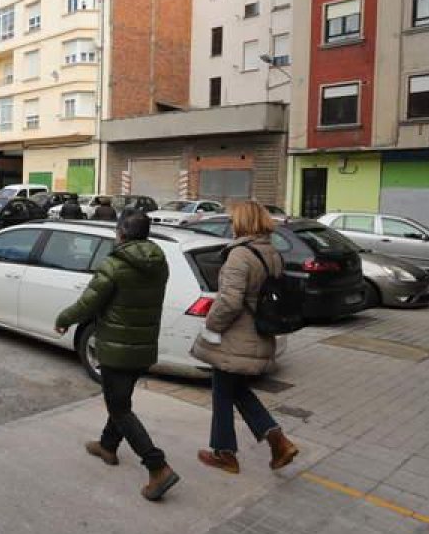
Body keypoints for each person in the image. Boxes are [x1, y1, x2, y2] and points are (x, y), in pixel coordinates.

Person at [55, 210, 180, 501]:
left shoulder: (114, 264)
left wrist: (64, 319)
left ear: (121, 232)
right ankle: (107, 446)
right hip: (143, 346)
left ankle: (157, 466)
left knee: (119, 408)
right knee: (121, 401)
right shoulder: (159, 263)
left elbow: (88, 303)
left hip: (116, 348)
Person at [190, 201, 299, 474]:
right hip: (259, 333)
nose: (231, 224)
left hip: (236, 337)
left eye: (234, 219)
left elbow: (229, 302)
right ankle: (277, 441)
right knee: (236, 389)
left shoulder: (240, 255)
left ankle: (226, 453)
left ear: (242, 222)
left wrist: (211, 326)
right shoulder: (271, 253)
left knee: (222, 391)